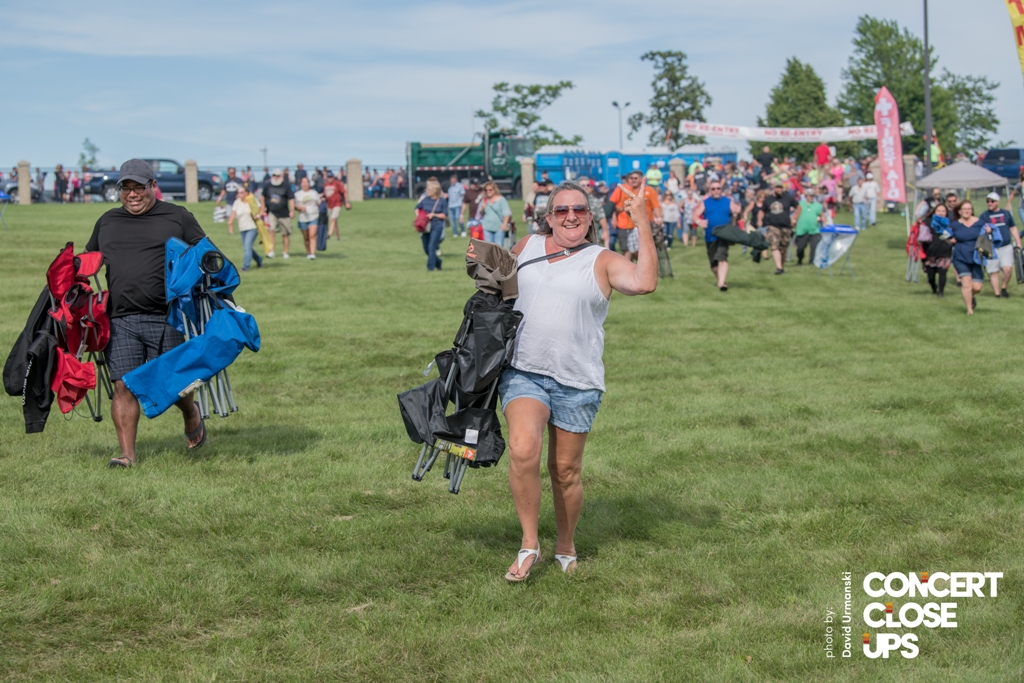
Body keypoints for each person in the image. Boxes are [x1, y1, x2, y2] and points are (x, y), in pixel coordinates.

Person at [501, 179, 657, 582]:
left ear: (590, 217)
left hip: (577, 379)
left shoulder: (601, 259)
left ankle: (566, 544)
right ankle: (529, 544)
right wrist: (480, 264)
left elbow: (644, 283)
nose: (571, 216)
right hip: (525, 371)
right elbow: (496, 287)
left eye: (579, 210)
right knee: (522, 449)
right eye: (562, 210)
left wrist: (642, 222)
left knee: (565, 471)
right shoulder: (527, 246)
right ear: (548, 217)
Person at [84, 159, 207, 468]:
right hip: (120, 318)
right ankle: (127, 455)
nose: (132, 194)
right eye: (125, 188)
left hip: (166, 315)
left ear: (153, 186)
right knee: (123, 384)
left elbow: (205, 254)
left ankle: (191, 413)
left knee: (175, 385)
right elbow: (90, 260)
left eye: (138, 187)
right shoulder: (108, 221)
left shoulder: (177, 216)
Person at [693, 181, 741, 290]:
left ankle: (721, 284)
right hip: (710, 237)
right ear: (710, 190)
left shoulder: (728, 201)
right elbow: (695, 215)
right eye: (713, 189)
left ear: (721, 189)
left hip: (724, 235)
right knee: (714, 264)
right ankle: (721, 280)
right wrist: (699, 221)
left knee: (722, 258)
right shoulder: (705, 202)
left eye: (718, 188)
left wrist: (737, 211)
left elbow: (736, 211)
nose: (716, 191)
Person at [948, 200, 992, 315]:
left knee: (977, 287)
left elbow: (990, 232)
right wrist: (950, 241)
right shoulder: (954, 225)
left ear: (972, 210)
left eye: (969, 209)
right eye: (964, 209)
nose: (966, 211)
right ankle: (969, 310)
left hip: (977, 257)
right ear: (960, 211)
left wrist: (989, 231)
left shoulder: (980, 223)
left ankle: (970, 296)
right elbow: (946, 236)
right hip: (960, 257)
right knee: (966, 284)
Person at [609, 170, 660, 262]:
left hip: (644, 223)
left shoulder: (649, 190)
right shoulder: (625, 190)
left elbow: (656, 206)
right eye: (631, 178)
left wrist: (659, 218)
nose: (633, 180)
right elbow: (617, 206)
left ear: (641, 179)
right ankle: (631, 267)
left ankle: (643, 265)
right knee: (626, 249)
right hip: (625, 224)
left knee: (640, 249)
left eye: (635, 178)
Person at [979, 192, 1021, 298]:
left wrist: (1018, 242)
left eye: (992, 201)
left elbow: (1013, 228)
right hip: (991, 247)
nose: (989, 203)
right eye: (988, 201)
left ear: (997, 202)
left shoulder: (1006, 214)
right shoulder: (984, 216)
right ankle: (997, 294)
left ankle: (1003, 287)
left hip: (1006, 246)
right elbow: (980, 231)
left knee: (1007, 269)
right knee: (994, 272)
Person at [759, 180, 801, 275]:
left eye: (780, 187)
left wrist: (794, 218)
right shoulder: (768, 199)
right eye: (777, 187)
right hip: (773, 226)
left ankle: (781, 266)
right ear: (773, 188)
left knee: (783, 248)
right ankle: (779, 268)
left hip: (786, 226)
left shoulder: (788, 198)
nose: (778, 189)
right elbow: (762, 211)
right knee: (774, 245)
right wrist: (760, 220)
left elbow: (798, 207)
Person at [227, 186, 263, 271]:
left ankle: (246, 266)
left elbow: (262, 209)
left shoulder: (252, 200)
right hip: (242, 228)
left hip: (252, 227)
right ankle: (259, 259)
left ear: (246, 193)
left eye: (241, 192)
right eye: (238, 192)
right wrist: (230, 224)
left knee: (247, 246)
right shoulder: (237, 202)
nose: (239, 194)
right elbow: (233, 214)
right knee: (248, 247)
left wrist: (258, 216)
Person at [259, 169, 294, 258]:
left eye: (277, 175)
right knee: (271, 231)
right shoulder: (268, 186)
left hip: (284, 213)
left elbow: (291, 198)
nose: (275, 177)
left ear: (281, 176)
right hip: (272, 212)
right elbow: (262, 196)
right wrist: (263, 207)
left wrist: (292, 210)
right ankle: (272, 251)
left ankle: (286, 252)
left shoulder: (286, 186)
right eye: (274, 175)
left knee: (285, 234)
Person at [415, 177, 447, 271]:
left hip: (437, 226)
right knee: (426, 249)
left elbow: (444, 215)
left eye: (428, 189)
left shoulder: (442, 201)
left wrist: (434, 215)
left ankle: (430, 268)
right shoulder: (425, 200)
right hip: (425, 226)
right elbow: (417, 208)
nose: (426, 191)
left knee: (431, 246)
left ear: (434, 190)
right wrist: (419, 216)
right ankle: (438, 262)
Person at [923, 204, 952, 297]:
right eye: (939, 211)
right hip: (930, 253)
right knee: (930, 277)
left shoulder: (950, 223)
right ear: (934, 211)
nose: (941, 213)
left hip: (944, 252)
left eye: (943, 211)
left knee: (942, 273)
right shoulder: (928, 222)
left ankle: (941, 292)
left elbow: (953, 235)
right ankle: (934, 288)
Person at [794, 190, 824, 266]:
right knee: (801, 247)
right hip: (802, 229)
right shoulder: (800, 204)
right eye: (810, 195)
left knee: (814, 246)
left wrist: (826, 222)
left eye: (813, 196)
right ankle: (800, 259)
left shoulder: (817, 205)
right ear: (806, 196)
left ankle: (812, 261)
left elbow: (822, 215)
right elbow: (796, 214)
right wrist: (793, 221)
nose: (811, 197)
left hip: (814, 230)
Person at [294, 176, 320, 260]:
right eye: (303, 182)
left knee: (312, 235)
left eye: (306, 182)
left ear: (309, 183)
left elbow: (318, 203)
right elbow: (294, 206)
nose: (305, 184)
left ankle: (313, 254)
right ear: (301, 184)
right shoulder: (297, 194)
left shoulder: (314, 193)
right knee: (306, 238)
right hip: (303, 218)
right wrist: (300, 208)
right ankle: (308, 252)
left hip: (313, 216)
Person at [479, 181, 512, 245]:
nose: (488, 191)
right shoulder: (485, 200)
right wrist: (482, 209)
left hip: (499, 228)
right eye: (486, 190)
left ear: (494, 190)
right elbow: (482, 214)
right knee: (488, 248)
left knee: (497, 248)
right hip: (487, 227)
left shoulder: (501, 199)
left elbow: (506, 213)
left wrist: (505, 224)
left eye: (490, 190)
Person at [321, 171, 351, 242]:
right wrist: (321, 197)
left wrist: (347, 202)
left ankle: (328, 235)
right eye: (329, 177)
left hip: (337, 204)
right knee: (334, 223)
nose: (330, 179)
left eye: (331, 177)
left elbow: (344, 192)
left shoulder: (337, 183)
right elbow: (325, 194)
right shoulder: (325, 184)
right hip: (329, 205)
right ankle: (339, 237)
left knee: (333, 219)